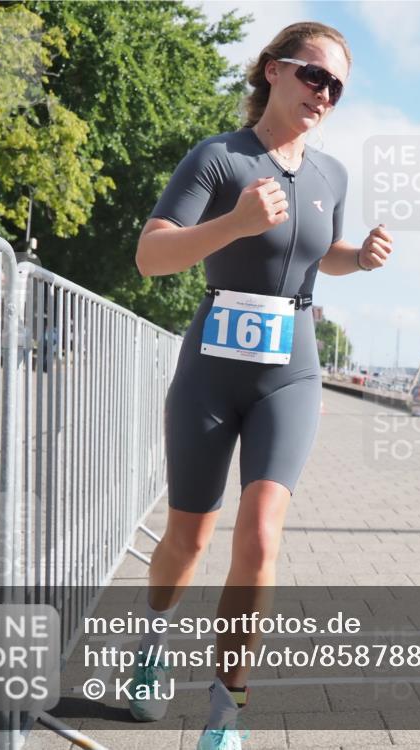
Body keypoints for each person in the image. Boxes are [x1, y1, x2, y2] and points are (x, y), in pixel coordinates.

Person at [132, 21, 393, 750]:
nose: (325, 93)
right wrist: (235, 223)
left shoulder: (332, 174)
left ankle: (225, 711)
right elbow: (152, 256)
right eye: (314, 75)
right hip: (212, 369)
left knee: (261, 535)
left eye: (337, 87)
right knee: (188, 537)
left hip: (292, 367)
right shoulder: (219, 157)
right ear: (273, 71)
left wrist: (358, 257)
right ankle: (152, 644)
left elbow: (314, 257)